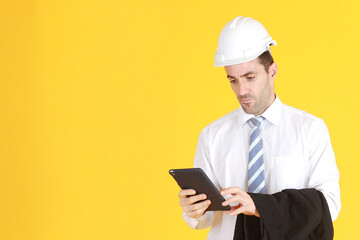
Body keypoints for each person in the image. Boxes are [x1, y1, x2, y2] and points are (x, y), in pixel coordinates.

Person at [178, 16, 341, 239]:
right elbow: (206, 219)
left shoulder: (310, 129)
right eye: (233, 80)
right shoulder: (212, 136)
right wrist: (194, 211)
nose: (241, 90)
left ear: (272, 71)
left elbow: (329, 205)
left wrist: (260, 206)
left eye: (249, 77)